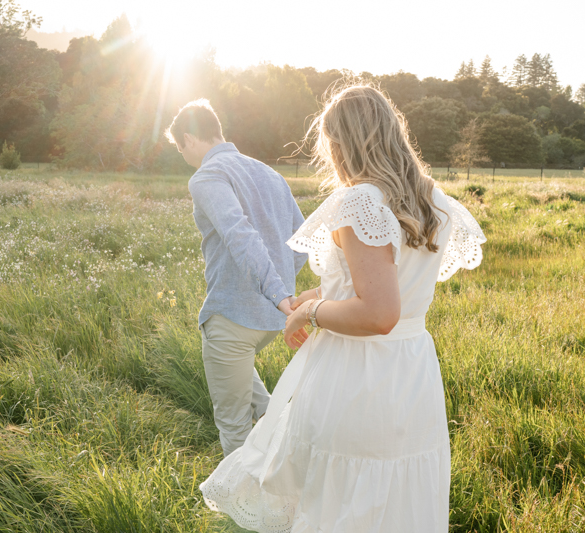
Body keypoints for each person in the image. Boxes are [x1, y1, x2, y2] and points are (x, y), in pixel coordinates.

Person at [200, 85, 486, 532]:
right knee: (395, 501)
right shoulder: (435, 200)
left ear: (340, 143)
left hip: (358, 377)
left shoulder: (360, 200)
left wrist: (309, 315)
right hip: (410, 375)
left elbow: (378, 313)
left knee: (340, 502)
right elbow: (383, 288)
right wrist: (315, 298)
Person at [165, 99, 308, 457]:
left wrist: (276, 292)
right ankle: (292, 473)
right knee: (266, 408)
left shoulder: (207, 176)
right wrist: (279, 293)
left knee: (234, 427)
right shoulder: (269, 173)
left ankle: (242, 511)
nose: (183, 155)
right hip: (270, 322)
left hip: (233, 321)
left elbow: (238, 233)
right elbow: (303, 242)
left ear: (188, 138)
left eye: (180, 148)